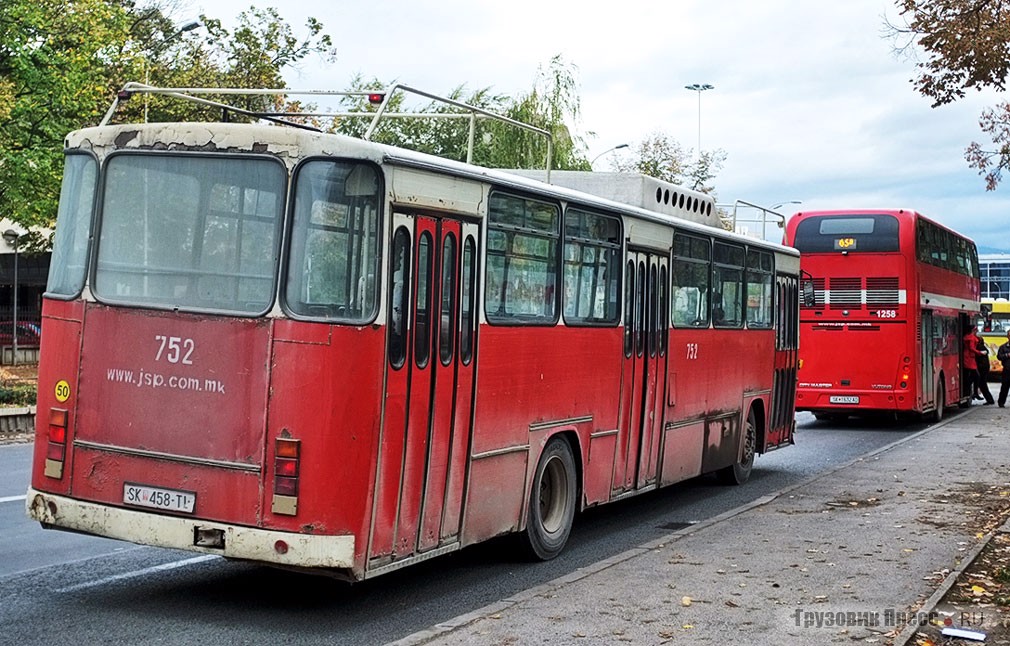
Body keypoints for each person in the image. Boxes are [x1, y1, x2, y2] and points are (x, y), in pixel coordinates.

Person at [963, 327, 982, 402]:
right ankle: (974, 392)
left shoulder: (968, 337)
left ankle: (969, 390)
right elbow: (971, 348)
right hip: (969, 358)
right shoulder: (971, 338)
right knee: (976, 376)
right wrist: (979, 352)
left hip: (969, 357)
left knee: (972, 376)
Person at [974, 335, 995, 405]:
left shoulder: (979, 347)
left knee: (983, 385)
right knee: (983, 384)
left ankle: (990, 400)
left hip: (982, 369)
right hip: (984, 368)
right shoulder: (983, 347)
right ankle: (989, 399)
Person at [998, 330, 1010, 407]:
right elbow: (999, 356)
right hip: (1007, 369)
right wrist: (1007, 355)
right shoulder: (1003, 347)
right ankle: (1001, 402)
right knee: (1005, 387)